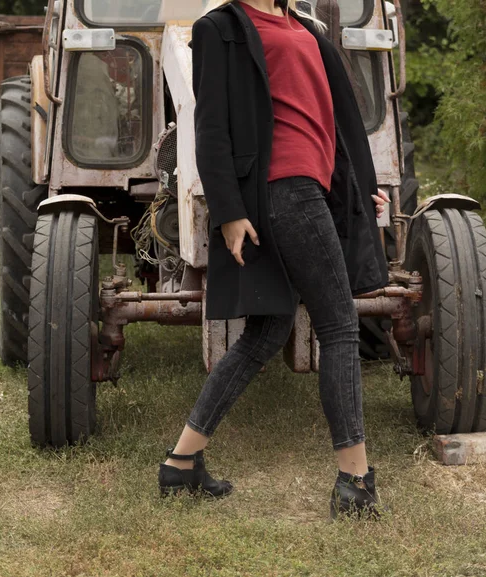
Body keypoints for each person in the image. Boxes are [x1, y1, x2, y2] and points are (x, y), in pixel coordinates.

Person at [157, 0, 392, 519]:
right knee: (339, 325)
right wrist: (228, 212)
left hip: (314, 186)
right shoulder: (219, 28)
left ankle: (181, 463)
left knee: (267, 332)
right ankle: (354, 481)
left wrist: (361, 189)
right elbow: (211, 128)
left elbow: (332, 120)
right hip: (279, 190)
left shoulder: (303, 27)